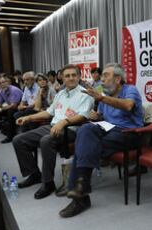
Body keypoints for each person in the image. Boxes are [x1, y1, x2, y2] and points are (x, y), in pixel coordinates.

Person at [59, 63, 143, 218]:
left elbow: (128, 106)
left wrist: (102, 98)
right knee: (85, 130)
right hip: (108, 130)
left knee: (84, 146)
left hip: (130, 133)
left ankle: (80, 193)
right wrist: (97, 116)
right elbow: (104, 118)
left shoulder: (130, 90)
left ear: (118, 79)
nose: (102, 79)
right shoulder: (105, 94)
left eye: (106, 76)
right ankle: (81, 187)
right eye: (102, 76)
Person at [12, 64, 94, 200]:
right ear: (62, 78)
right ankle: (34, 174)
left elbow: (83, 116)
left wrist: (64, 122)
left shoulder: (85, 94)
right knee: (19, 140)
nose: (71, 78)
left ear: (79, 77)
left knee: (46, 140)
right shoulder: (60, 94)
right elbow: (49, 112)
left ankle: (48, 182)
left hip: (71, 130)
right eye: (67, 76)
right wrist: (28, 117)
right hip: (52, 126)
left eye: (74, 75)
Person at [0, 76, 23, 143]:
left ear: (7, 82)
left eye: (3, 82)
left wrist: (0, 109)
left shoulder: (14, 90)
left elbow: (13, 105)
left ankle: (10, 136)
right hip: (10, 107)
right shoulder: (1, 91)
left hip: (19, 107)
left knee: (10, 112)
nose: (2, 84)